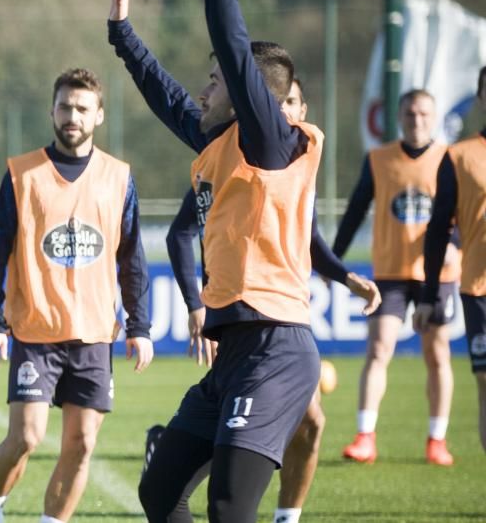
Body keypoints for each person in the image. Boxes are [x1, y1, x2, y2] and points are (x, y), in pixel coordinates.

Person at [109, 0, 375, 519]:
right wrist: (122, 35)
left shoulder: (268, 139)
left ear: (249, 93)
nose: (204, 87)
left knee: (229, 508)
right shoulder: (221, 142)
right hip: (234, 352)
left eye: (215, 81)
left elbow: (232, 37)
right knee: (159, 490)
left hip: (276, 350)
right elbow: (168, 96)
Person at [158, 78, 379, 523]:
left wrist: (345, 275)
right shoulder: (234, 161)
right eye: (282, 104)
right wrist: (197, 303)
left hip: (279, 339)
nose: (289, 114)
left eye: (296, 103)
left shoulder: (296, 165)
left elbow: (310, 241)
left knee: (306, 426)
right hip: (244, 339)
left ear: (303, 107)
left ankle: (287, 515)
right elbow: (181, 231)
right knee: (179, 493)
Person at [0, 67, 154, 523]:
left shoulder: (119, 177)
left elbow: (132, 256)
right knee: (27, 438)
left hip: (94, 332)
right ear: (52, 111)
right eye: (64, 106)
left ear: (98, 116)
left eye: (81, 108)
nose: (71, 115)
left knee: (82, 444)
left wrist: (140, 325)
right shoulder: (23, 174)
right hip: (36, 329)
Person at [333, 89, 460, 466]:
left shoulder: (449, 159)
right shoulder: (379, 159)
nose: (416, 120)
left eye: (423, 113)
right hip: (389, 271)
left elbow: (468, 211)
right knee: (378, 348)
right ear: (400, 117)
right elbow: (355, 211)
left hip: (437, 273)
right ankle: (365, 437)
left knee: (437, 353)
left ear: (434, 118)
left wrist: (456, 242)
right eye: (409, 113)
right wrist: (333, 262)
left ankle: (437, 439)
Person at [416, 65, 486, 454]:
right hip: (480, 287)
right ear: (481, 97)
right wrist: (428, 295)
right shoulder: (458, 157)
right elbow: (439, 228)